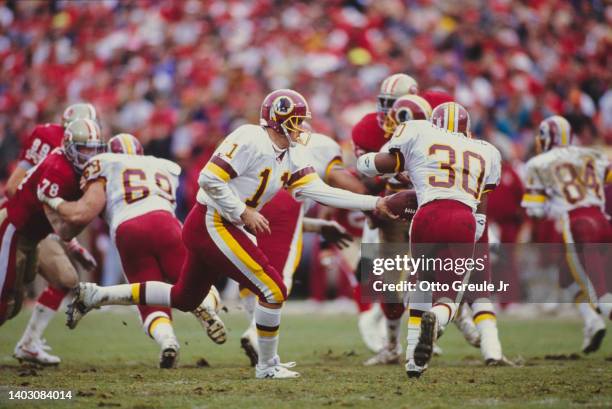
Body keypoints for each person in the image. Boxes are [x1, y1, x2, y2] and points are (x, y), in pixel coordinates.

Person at [42, 89, 396, 379]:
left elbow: (318, 190)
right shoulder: (249, 138)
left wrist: (370, 203)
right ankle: (268, 367)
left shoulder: (289, 154)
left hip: (219, 224)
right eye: (296, 120)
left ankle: (94, 295)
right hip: (212, 222)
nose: (302, 126)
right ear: (278, 118)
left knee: (183, 297)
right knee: (273, 289)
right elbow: (210, 178)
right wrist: (243, 211)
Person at [356, 102, 502, 378]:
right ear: (467, 129)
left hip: (425, 216)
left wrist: (362, 162)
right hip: (462, 218)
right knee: (448, 296)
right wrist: (477, 227)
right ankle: (435, 321)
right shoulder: (487, 150)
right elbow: (482, 201)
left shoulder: (419, 129)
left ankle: (413, 361)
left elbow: (386, 164)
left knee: (420, 285)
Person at [8, 103, 99, 365]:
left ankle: (28, 343)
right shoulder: (48, 142)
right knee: (9, 301)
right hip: (21, 221)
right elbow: (15, 186)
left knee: (65, 278)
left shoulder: (85, 156)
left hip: (44, 229)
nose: (87, 151)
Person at [521, 115, 612, 353]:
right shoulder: (594, 155)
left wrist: (554, 201)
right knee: (566, 275)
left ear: (543, 137)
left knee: (600, 292)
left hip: (578, 223)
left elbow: (535, 210)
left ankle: (597, 316)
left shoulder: (539, 163)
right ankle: (592, 323)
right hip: (603, 221)